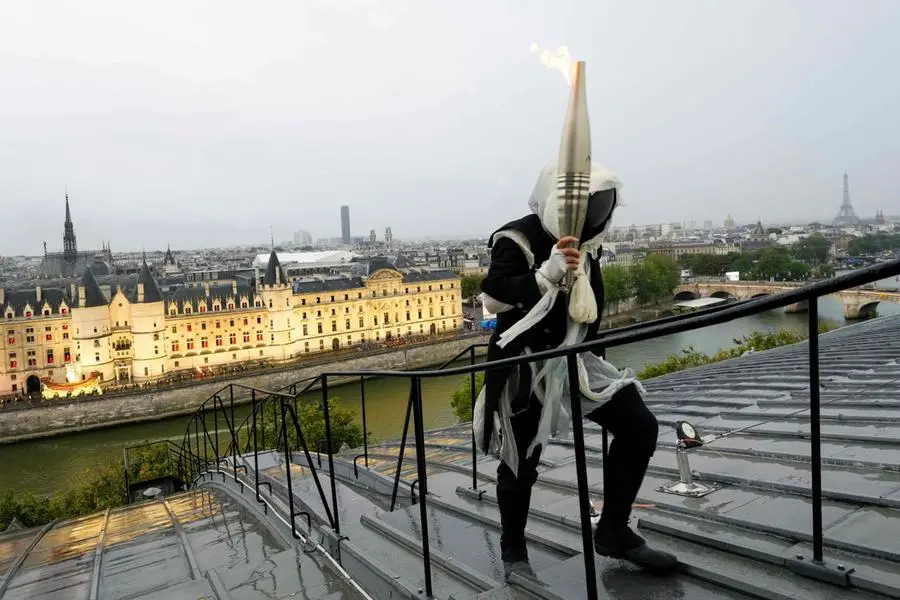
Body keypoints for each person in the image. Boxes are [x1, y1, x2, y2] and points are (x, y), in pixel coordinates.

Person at [475, 161, 678, 579]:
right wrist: (547, 273)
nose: (595, 221)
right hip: (525, 363)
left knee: (639, 426)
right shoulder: (518, 236)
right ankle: (513, 550)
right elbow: (493, 297)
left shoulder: (587, 246)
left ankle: (614, 531)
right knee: (520, 459)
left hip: (575, 358)